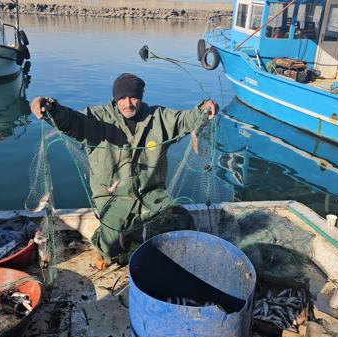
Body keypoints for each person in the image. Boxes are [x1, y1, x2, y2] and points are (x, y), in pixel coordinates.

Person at [31, 73, 218, 269]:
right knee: (111, 247)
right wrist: (48, 106)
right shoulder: (96, 119)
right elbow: (71, 120)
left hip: (151, 194)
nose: (128, 103)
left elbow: (187, 119)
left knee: (183, 221)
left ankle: (138, 237)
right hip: (113, 197)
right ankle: (105, 239)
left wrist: (204, 108)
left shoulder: (159, 118)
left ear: (141, 97)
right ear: (115, 98)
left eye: (133, 97)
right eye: (121, 98)